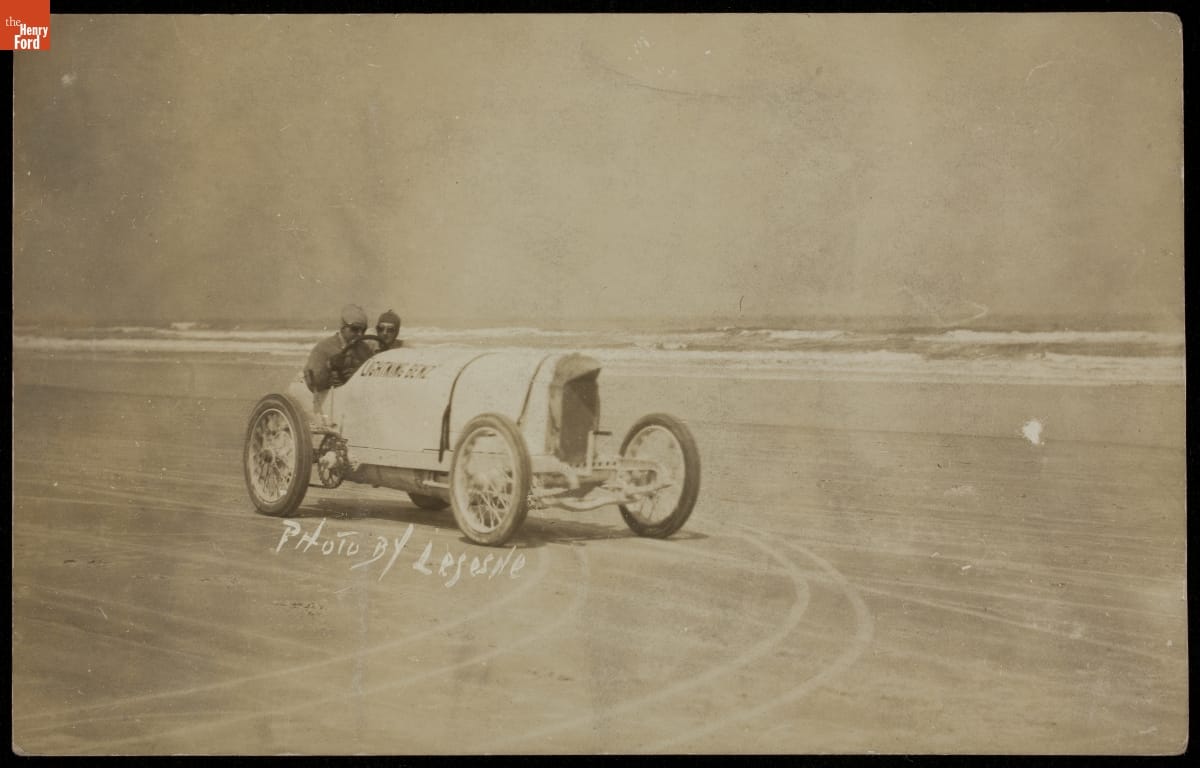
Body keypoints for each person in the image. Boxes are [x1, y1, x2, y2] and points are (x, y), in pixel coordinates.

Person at [303, 304, 369, 417]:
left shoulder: (365, 349)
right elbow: (312, 384)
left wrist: (356, 374)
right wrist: (329, 366)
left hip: (358, 406)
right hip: (331, 409)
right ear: (342, 327)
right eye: (355, 329)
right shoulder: (324, 348)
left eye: (363, 330)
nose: (360, 334)